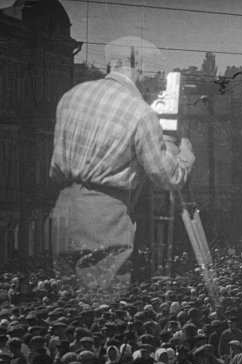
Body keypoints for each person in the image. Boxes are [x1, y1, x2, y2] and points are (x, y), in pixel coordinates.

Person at [49, 35, 195, 296]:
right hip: (104, 219)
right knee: (101, 308)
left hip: (62, 214)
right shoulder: (140, 112)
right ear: (136, 64)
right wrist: (183, 155)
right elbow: (166, 175)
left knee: (67, 310)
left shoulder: (71, 97)